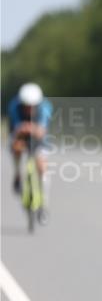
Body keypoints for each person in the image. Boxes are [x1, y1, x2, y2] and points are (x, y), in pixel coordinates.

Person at [8, 83, 53, 219]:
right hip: (20, 135)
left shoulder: (45, 107)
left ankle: (44, 204)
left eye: (33, 106)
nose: (29, 109)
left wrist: (30, 128)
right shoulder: (14, 106)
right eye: (26, 106)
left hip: (39, 137)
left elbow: (41, 131)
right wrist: (25, 130)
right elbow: (17, 129)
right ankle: (17, 174)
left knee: (42, 167)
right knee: (16, 147)